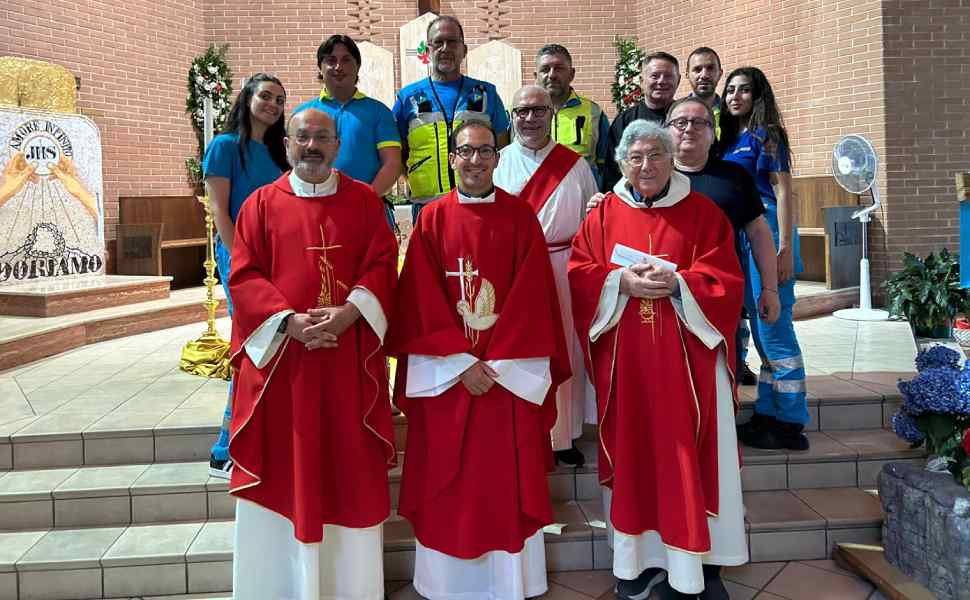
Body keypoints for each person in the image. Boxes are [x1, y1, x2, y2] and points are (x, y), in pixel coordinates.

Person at [386, 120, 570, 600]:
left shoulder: (519, 217)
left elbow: (535, 298)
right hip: (451, 378)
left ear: (497, 157)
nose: (474, 160)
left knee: (503, 482)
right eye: (465, 151)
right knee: (450, 482)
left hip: (506, 376)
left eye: (484, 151)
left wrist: (501, 366)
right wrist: (458, 364)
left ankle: (511, 584)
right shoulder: (432, 219)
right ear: (453, 158)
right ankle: (444, 584)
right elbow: (419, 299)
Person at [569, 120, 747, 599]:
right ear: (623, 161)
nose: (646, 166)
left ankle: (696, 564)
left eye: (656, 156)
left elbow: (727, 281)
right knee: (633, 453)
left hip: (687, 366)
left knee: (686, 456)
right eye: (636, 157)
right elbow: (581, 272)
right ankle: (638, 560)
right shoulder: (602, 214)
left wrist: (679, 284)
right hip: (627, 366)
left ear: (672, 159)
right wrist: (618, 283)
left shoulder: (703, 213)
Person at [227, 108, 398, 600]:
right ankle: (279, 587)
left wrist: (350, 312)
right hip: (287, 364)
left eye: (322, 137)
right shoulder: (260, 205)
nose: (312, 146)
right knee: (289, 465)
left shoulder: (364, 203)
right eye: (302, 137)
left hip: (346, 363)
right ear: (287, 144)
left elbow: (383, 264)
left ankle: (352, 588)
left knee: (346, 463)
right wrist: (290, 322)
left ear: (338, 144)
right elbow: (243, 276)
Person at [493, 85, 598, 467]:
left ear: (551, 114)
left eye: (538, 111)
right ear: (511, 115)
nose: (530, 119)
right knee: (519, 348)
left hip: (562, 266)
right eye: (522, 111)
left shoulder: (575, 164)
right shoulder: (497, 161)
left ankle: (563, 435)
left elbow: (591, 222)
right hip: (513, 271)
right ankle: (524, 429)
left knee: (564, 347)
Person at [201, 73, 289, 479]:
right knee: (250, 344)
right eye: (266, 96)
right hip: (240, 255)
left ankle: (263, 433)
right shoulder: (224, 146)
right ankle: (225, 447)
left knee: (276, 344)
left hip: (279, 259)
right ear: (248, 98)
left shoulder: (277, 154)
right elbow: (220, 210)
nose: (272, 104)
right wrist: (241, 259)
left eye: (279, 100)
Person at [719, 66, 810, 451]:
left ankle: (791, 420)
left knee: (775, 328)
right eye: (731, 91)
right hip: (742, 236)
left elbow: (784, 191)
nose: (735, 97)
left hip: (768, 232)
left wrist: (784, 246)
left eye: (744, 90)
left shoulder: (766, 135)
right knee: (760, 329)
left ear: (758, 97)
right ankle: (768, 413)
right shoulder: (729, 139)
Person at [666, 97, 781, 391]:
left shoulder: (734, 177)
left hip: (718, 297)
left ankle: (719, 436)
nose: (689, 129)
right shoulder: (649, 177)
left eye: (699, 122)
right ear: (666, 131)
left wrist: (769, 289)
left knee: (717, 378)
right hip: (663, 299)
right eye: (680, 122)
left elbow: (759, 233)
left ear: (713, 132)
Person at [392, 15, 511, 223]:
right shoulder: (407, 98)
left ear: (464, 50)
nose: (445, 48)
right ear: (427, 50)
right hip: (426, 207)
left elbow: (502, 147)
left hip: (479, 203)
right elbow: (395, 150)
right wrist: (408, 179)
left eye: (452, 42)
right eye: (438, 42)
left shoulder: (486, 94)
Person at [294, 34, 402, 232]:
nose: (338, 67)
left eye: (346, 60)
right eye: (331, 60)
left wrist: (364, 199)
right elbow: (293, 165)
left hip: (369, 209)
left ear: (357, 66)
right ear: (320, 67)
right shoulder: (303, 115)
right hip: (316, 210)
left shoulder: (378, 112)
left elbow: (393, 163)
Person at [534, 44, 610, 188]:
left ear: (572, 74)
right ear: (535, 76)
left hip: (582, 197)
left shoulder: (594, 112)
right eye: (545, 69)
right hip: (536, 198)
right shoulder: (521, 113)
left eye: (559, 68)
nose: (552, 74)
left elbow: (605, 165)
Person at [602, 52, 680, 192]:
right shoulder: (625, 121)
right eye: (655, 76)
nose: (661, 81)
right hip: (636, 201)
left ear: (678, 80)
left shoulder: (688, 118)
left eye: (668, 76)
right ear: (642, 80)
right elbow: (612, 171)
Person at [685, 47, 723, 139]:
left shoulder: (732, 113)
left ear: (720, 73)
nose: (704, 75)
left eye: (710, 68)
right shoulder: (676, 114)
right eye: (697, 69)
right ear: (687, 75)